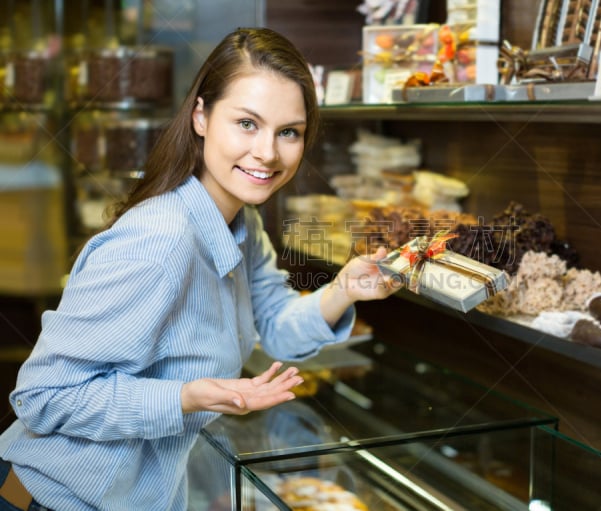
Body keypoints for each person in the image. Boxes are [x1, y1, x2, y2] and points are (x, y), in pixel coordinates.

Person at [0, 27, 398, 511]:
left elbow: (274, 326)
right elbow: (42, 396)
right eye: (247, 123)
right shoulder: (161, 241)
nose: (268, 153)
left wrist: (344, 290)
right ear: (201, 116)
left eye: (288, 131)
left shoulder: (240, 222)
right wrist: (185, 397)